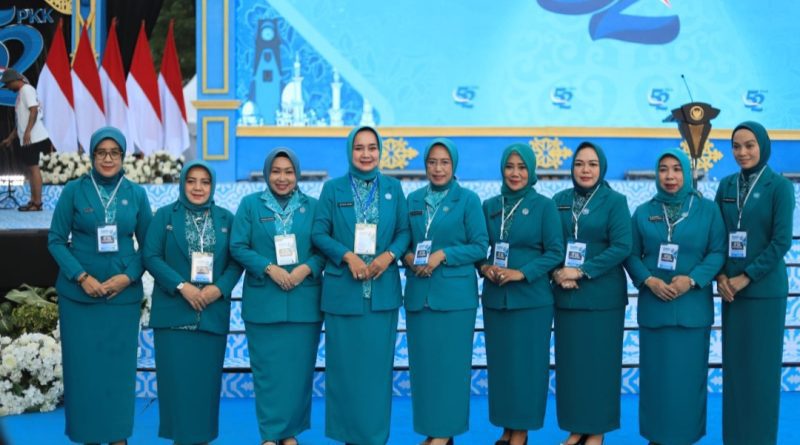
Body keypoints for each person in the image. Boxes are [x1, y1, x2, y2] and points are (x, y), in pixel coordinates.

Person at [47, 126, 152, 445]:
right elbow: (55, 240)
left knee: (117, 372)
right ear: (92, 156)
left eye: (114, 152)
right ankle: (89, 435)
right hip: (79, 300)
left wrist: (127, 277)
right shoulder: (73, 191)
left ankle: (117, 435)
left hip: (121, 299)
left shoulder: (136, 193)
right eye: (101, 153)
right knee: (84, 372)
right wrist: (82, 277)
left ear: (123, 156)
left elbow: (150, 247)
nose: (108, 158)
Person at [311, 126, 410, 445]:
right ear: (349, 152)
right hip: (343, 293)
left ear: (380, 151)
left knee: (377, 372)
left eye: (372, 148)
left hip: (382, 295)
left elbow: (404, 232)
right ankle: (349, 436)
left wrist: (389, 256)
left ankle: (374, 437)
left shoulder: (393, 188)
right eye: (359, 148)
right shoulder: (333, 189)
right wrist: (347, 256)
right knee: (345, 372)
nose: (366, 154)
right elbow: (319, 233)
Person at [624, 148, 725, 445]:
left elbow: (718, 251)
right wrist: (649, 280)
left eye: (677, 169)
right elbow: (631, 254)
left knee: (688, 380)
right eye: (664, 169)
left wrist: (692, 280)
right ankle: (656, 437)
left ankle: (685, 436)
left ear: (687, 173)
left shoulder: (707, 210)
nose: (670, 176)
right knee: (656, 380)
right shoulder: (643, 212)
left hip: (693, 310)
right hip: (655, 309)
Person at [142, 160, 242, 445]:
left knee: (204, 388)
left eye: (205, 182)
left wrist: (218, 289)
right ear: (182, 183)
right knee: (176, 387)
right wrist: (181, 286)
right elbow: (151, 256)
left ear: (212, 186)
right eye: (191, 181)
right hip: (173, 316)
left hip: (211, 315)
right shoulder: (165, 216)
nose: (198, 187)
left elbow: (236, 261)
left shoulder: (226, 219)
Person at [230, 148, 325, 445]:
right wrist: (269, 268)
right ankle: (271, 435)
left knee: (298, 372)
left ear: (297, 174)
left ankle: (290, 433)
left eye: (288, 172)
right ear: (266, 173)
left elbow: (324, 248)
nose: (282, 178)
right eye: (276, 171)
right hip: (264, 302)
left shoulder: (313, 207)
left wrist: (305, 269)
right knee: (267, 373)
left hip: (304, 302)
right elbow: (238, 246)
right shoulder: (250, 205)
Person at [402, 139, 488, 445]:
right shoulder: (412, 199)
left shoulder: (467, 200)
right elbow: (403, 242)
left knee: (451, 368)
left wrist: (443, 255)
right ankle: (432, 431)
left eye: (444, 162)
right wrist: (408, 258)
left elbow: (480, 246)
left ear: (454, 165)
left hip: (455, 299)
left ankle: (445, 432)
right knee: (424, 369)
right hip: (419, 296)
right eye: (432, 162)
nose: (438, 168)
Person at [714, 122, 794, 445]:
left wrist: (746, 276)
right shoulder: (726, 185)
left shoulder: (779, 187)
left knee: (761, 372)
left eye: (749, 145)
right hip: (731, 293)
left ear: (763, 145)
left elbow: (781, 241)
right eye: (736, 146)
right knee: (736, 372)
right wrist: (721, 276)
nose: (742, 152)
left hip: (764, 292)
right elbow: (717, 236)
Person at [479, 143, 564, 445]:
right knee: (502, 366)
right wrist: (484, 267)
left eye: (522, 167)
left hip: (532, 300)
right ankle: (506, 427)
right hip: (496, 299)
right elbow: (478, 246)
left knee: (528, 366)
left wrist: (522, 272)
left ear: (531, 171)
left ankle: (522, 431)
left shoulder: (544, 206)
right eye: (509, 166)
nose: (515, 173)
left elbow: (555, 252)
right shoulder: (489, 206)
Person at [551, 142, 632, 445]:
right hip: (567, 296)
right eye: (579, 164)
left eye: (592, 164)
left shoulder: (615, 201)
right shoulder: (559, 201)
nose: (585, 170)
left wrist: (581, 271)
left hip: (602, 299)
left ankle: (596, 431)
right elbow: (550, 243)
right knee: (572, 367)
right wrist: (558, 272)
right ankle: (576, 428)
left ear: (602, 168)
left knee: (600, 366)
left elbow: (622, 246)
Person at [1, 68, 52, 211]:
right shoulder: (21, 93)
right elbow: (20, 121)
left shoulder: (26, 90)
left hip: (34, 137)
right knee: (31, 169)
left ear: (14, 80)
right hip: (28, 137)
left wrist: (28, 131)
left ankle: (37, 203)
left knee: (34, 169)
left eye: (8, 84)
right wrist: (11, 138)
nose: (8, 87)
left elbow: (33, 110)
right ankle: (33, 200)